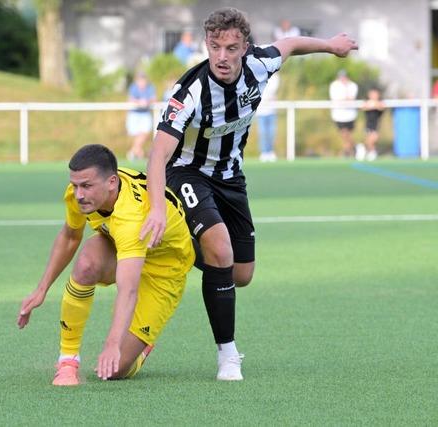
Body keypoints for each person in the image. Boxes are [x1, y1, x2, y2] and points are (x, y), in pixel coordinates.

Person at [140, 7, 357, 381]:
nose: (222, 57)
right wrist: (157, 209)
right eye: (215, 47)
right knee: (221, 250)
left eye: (231, 48)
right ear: (207, 45)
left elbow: (289, 44)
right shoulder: (190, 92)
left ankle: (180, 249)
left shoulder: (261, 64)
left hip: (232, 178)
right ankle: (227, 354)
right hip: (187, 172)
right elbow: (158, 155)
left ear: (245, 48)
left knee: (240, 274)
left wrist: (330, 45)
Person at [17, 144, 194, 386]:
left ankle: (144, 340)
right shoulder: (79, 194)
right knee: (87, 263)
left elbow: (128, 290)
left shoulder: (131, 217)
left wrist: (112, 344)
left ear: (111, 182)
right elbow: (70, 237)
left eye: (86, 186)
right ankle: (67, 361)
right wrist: (41, 289)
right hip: (121, 246)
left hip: (164, 268)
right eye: (75, 184)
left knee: (114, 371)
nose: (79, 194)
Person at [126, 72, 156, 161]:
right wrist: (140, 102)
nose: (142, 82)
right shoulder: (133, 87)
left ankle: (133, 151)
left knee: (145, 132)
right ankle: (138, 151)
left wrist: (147, 102)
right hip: (134, 113)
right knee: (136, 134)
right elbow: (130, 99)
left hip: (145, 113)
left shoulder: (150, 87)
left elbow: (153, 98)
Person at [329, 69, 359, 158]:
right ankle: (353, 148)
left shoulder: (353, 85)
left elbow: (351, 98)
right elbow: (335, 99)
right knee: (344, 134)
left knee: (347, 134)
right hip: (338, 115)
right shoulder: (334, 85)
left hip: (350, 115)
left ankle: (347, 151)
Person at [256, 74, 280, 162]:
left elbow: (272, 90)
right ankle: (264, 152)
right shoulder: (259, 75)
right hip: (261, 111)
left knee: (271, 133)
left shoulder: (274, 76)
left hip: (272, 111)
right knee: (262, 133)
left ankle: (270, 152)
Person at [361, 88, 386, 161]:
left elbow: (381, 108)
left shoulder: (380, 102)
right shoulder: (367, 102)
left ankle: (366, 149)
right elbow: (363, 108)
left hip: (377, 124)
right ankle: (371, 151)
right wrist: (370, 105)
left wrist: (375, 104)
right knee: (371, 138)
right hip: (369, 124)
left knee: (374, 139)